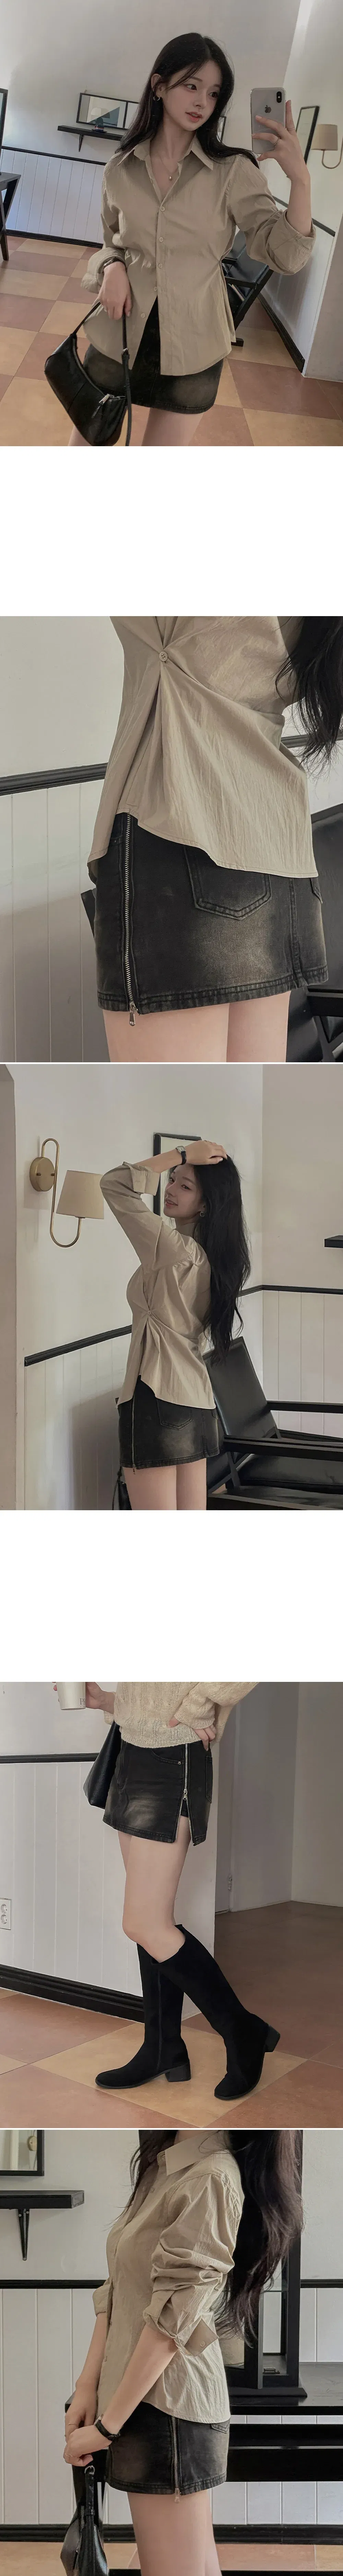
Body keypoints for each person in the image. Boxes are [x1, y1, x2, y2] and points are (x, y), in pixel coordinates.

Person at [87, 617, 343, 1065]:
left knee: (171, 1101)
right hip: (277, 844)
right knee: (240, 1096)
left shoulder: (181, 624)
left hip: (181, 834)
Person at [63, 2125, 303, 2576]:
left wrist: (108, 2427)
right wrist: (87, 2386)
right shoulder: (166, 2163)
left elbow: (170, 2324)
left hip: (166, 2409)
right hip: (138, 2401)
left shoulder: (210, 2176)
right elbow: (119, 2289)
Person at [69, 33, 314, 449]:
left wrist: (301, 181)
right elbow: (111, 241)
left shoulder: (234, 171)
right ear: (159, 86)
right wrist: (111, 267)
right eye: (191, 85)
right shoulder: (120, 168)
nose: (202, 101)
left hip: (195, 343)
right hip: (120, 333)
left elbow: (286, 256)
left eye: (214, 93)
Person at [82, 1680, 279, 2105]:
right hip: (129, 1751)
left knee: (144, 1923)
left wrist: (198, 1705)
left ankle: (242, 2029)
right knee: (151, 1922)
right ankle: (163, 2047)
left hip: (172, 1755)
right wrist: (110, 1701)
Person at [100, 1139, 250, 1510]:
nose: (169, 1190)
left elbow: (114, 1183)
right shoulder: (215, 1257)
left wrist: (182, 1154)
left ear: (206, 1204)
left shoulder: (174, 1250)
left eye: (185, 1186)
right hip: (197, 1400)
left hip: (155, 1397)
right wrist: (185, 1162)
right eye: (171, 1179)